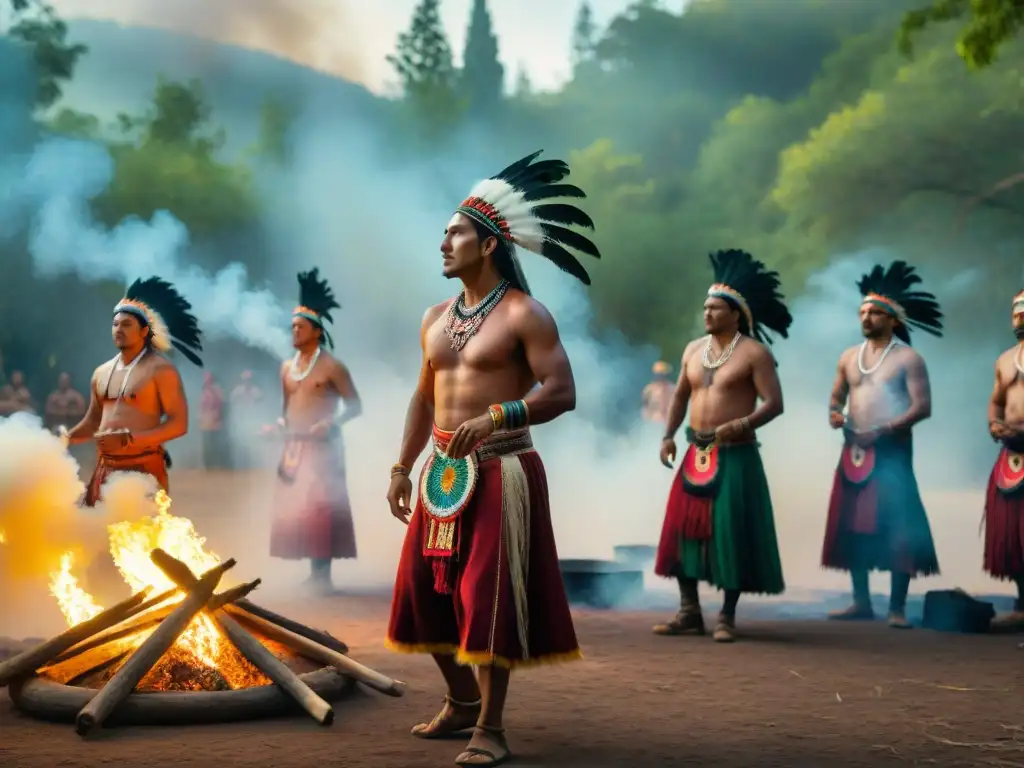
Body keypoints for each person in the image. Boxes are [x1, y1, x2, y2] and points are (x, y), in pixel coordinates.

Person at [385, 151, 601, 767]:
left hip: (502, 471)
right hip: (442, 474)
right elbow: (423, 399)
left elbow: (562, 392)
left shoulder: (524, 315)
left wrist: (497, 417)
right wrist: (402, 468)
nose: (444, 242)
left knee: (488, 597)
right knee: (422, 592)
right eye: (445, 232)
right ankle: (459, 702)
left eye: (456, 233)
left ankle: (493, 727)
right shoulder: (433, 318)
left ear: (489, 245)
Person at [653, 249, 792, 643]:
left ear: (736, 314)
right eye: (705, 308)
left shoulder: (755, 354)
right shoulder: (692, 351)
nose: (707, 314)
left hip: (736, 455)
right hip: (695, 451)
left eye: (715, 308)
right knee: (681, 531)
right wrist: (667, 435)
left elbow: (776, 404)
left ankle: (727, 616)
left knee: (730, 532)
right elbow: (679, 396)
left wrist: (743, 424)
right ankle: (689, 612)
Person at [821, 260, 943, 628]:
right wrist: (835, 416)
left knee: (897, 526)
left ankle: (897, 608)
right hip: (854, 449)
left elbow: (923, 407)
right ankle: (861, 602)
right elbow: (835, 399)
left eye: (875, 311)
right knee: (854, 525)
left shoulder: (909, 359)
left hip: (891, 452)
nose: (867, 317)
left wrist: (885, 429)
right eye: (863, 311)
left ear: (894, 319)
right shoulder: (847, 357)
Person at [65, 277, 203, 505]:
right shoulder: (101, 372)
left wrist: (132, 440)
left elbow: (179, 424)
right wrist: (63, 439)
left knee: (141, 537)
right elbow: (92, 423)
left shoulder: (161, 369)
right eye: (115, 324)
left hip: (144, 469)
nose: (118, 329)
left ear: (144, 331)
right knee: (97, 534)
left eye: (126, 324)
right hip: (105, 468)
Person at [267, 268, 361, 593]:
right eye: (292, 326)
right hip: (294, 447)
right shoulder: (285, 368)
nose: (293, 331)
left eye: (300, 326)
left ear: (317, 332)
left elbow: (355, 406)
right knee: (298, 506)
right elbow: (286, 408)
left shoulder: (333, 367)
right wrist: (278, 425)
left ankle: (323, 576)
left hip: (325, 447)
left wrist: (331, 423)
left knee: (322, 505)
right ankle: (311, 572)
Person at [984, 288, 1024, 629]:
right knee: (1013, 537)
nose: (1020, 316)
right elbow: (996, 402)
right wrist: (994, 425)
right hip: (1012, 457)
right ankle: (1022, 605)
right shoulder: (1005, 360)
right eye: (1016, 311)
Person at [199, 371, 231, 470]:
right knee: (207, 446)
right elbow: (201, 408)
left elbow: (223, 406)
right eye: (205, 379)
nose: (206, 381)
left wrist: (219, 416)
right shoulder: (204, 393)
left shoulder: (218, 391)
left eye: (207, 379)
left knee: (216, 445)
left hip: (216, 424)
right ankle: (208, 466)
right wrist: (200, 418)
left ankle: (219, 465)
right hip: (205, 424)